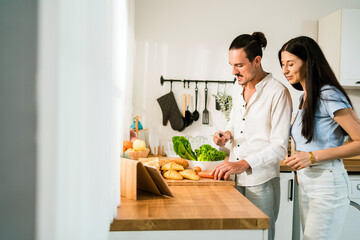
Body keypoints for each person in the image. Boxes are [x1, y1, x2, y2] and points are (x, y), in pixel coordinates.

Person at [211, 32, 292, 240]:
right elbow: (235, 124)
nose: (233, 71)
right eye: (231, 64)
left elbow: (280, 147)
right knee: (237, 236)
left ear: (257, 61)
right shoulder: (237, 88)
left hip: (261, 182)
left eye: (239, 65)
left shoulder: (278, 93)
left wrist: (244, 164)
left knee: (261, 236)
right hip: (234, 180)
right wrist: (226, 135)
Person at [278, 36, 360, 240]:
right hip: (308, 181)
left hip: (327, 183)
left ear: (310, 62)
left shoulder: (328, 94)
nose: (284, 70)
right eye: (282, 64)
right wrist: (301, 165)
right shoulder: (304, 98)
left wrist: (312, 157)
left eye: (290, 64)